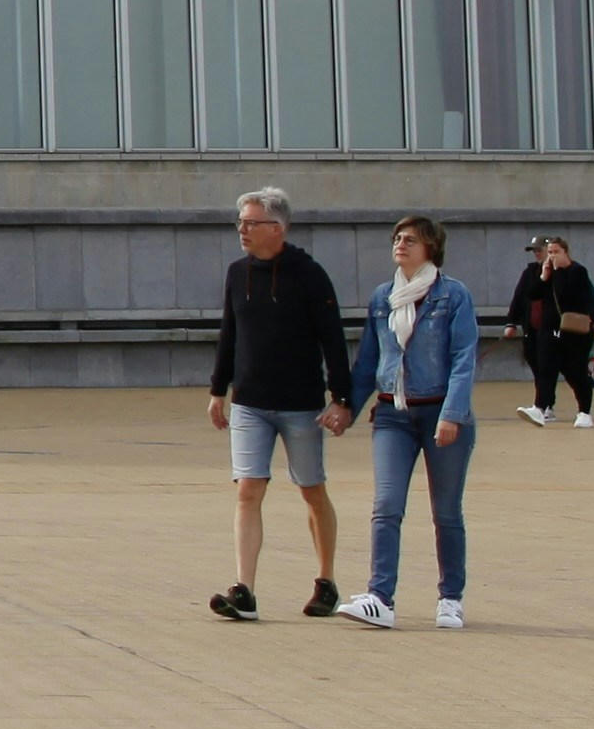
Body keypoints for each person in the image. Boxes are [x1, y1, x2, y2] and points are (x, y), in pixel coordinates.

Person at [203, 187, 349, 623]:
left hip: (301, 404)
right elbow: (230, 333)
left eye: (251, 223)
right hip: (249, 402)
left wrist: (341, 399)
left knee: (312, 490)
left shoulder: (310, 275)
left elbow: (333, 340)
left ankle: (326, 581)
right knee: (248, 490)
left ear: (277, 228)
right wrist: (218, 389)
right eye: (240, 223)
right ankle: (244, 589)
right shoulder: (235, 273)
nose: (242, 230)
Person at [331, 215, 478, 631]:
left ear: (430, 247)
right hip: (393, 415)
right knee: (386, 505)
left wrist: (452, 413)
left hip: (440, 414)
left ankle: (450, 598)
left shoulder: (453, 296)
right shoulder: (384, 297)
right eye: (397, 238)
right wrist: (346, 408)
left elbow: (464, 358)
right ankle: (380, 597)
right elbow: (368, 363)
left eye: (410, 239)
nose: (400, 244)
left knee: (446, 512)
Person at [505, 236, 594, 429]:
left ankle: (584, 411)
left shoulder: (576, 271)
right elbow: (531, 294)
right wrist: (544, 276)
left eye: (555, 252)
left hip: (573, 331)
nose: (551, 256)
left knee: (575, 372)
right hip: (549, 330)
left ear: (565, 252)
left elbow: (584, 296)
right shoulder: (543, 272)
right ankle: (540, 408)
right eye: (549, 252)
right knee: (545, 369)